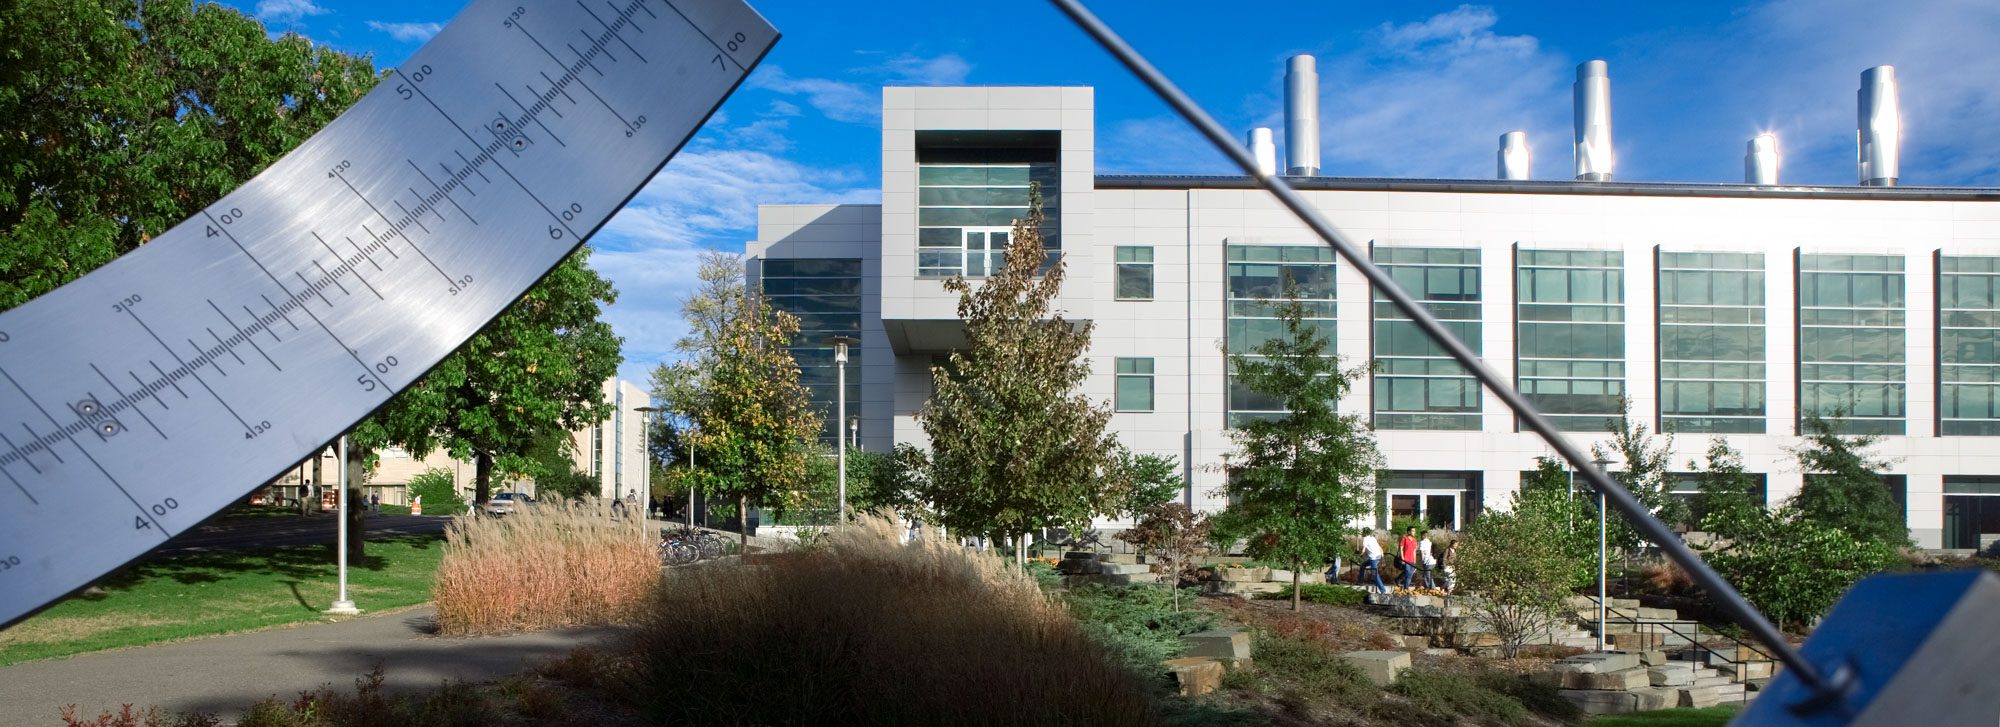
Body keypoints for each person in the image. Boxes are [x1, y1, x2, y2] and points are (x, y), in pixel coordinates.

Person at [1359, 528, 1388, 593]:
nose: (1362, 533)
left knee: (1374, 574)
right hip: (1378, 556)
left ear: (1364, 533)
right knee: (1363, 565)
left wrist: (1360, 554)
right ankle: (1360, 581)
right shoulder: (1373, 538)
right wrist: (1382, 556)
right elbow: (1380, 548)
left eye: (1362, 532)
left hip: (1373, 558)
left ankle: (1382, 590)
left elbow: (1364, 549)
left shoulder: (1365, 539)